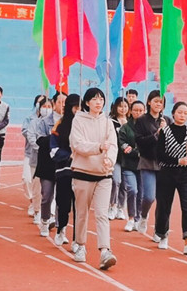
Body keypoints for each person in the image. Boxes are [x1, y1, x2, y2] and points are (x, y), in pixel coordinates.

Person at [69, 88, 118, 270]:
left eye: (101, 99)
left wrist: (110, 160)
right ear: (87, 102)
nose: (99, 102)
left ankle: (105, 250)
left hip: (104, 174)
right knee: (82, 212)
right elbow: (77, 144)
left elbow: (113, 145)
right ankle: (80, 245)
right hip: (83, 172)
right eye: (94, 99)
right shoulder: (79, 120)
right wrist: (98, 148)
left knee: (102, 214)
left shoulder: (107, 122)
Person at [155, 101, 187, 254]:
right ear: (173, 113)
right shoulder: (165, 131)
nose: (182, 115)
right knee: (164, 206)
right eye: (179, 112)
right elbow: (159, 155)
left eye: (185, 113)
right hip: (167, 173)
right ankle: (162, 235)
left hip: (186, 174)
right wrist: (177, 160)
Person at [134, 90, 171, 236]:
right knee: (149, 196)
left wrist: (166, 131)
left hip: (164, 164)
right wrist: (156, 134)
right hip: (148, 161)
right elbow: (140, 141)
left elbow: (173, 141)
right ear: (149, 102)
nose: (158, 104)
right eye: (155, 101)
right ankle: (143, 216)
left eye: (161, 102)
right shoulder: (142, 120)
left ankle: (160, 231)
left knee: (163, 200)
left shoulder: (167, 120)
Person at [33, 92, 65, 235]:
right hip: (47, 163)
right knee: (46, 195)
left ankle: (59, 225)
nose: (63, 105)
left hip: (63, 162)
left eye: (65, 102)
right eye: (60, 102)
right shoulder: (45, 121)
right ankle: (45, 220)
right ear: (54, 104)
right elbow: (39, 140)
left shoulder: (69, 122)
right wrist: (54, 136)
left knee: (61, 197)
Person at [50, 94, 79, 246]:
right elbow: (53, 149)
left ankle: (77, 239)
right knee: (64, 203)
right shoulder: (60, 124)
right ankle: (61, 229)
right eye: (75, 107)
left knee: (80, 207)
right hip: (64, 170)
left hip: (82, 171)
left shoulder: (85, 124)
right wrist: (69, 156)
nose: (78, 110)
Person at [118, 100, 144, 232]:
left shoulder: (147, 127)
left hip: (144, 166)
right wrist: (137, 152)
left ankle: (139, 217)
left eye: (141, 110)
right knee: (132, 190)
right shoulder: (125, 128)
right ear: (131, 111)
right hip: (128, 165)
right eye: (135, 110)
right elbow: (124, 146)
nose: (138, 113)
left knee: (142, 194)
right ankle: (131, 217)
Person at [22, 95, 47, 223]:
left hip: (50, 159)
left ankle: (48, 213)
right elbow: (29, 134)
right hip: (34, 156)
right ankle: (36, 208)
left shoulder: (55, 122)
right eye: (44, 106)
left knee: (48, 187)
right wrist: (40, 146)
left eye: (49, 106)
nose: (46, 109)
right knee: (32, 183)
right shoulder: (32, 120)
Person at [108, 97, 129, 221]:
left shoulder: (131, 122)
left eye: (125, 106)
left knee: (125, 184)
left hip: (127, 158)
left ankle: (121, 207)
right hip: (115, 157)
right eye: (120, 106)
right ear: (115, 107)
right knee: (116, 181)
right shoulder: (111, 122)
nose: (123, 109)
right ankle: (112, 205)